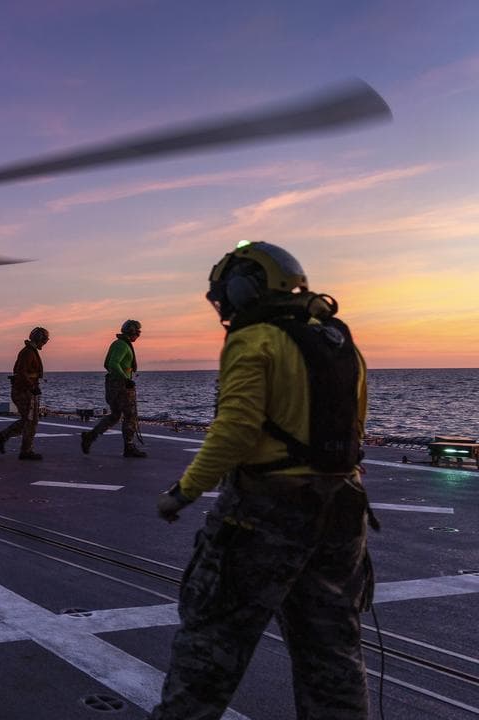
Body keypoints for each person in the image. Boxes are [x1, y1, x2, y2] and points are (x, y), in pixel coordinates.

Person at [149, 242, 374, 720]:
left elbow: (235, 429)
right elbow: (355, 428)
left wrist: (182, 493)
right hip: (343, 509)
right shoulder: (339, 341)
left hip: (267, 513)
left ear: (245, 288)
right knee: (332, 655)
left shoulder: (255, 339)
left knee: (209, 647)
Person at [81, 319, 146, 458]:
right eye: (138, 332)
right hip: (121, 385)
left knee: (115, 415)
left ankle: (90, 436)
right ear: (132, 331)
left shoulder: (117, 344)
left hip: (112, 384)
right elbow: (113, 364)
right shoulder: (122, 345)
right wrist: (125, 379)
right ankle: (129, 447)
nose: (138, 335)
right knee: (130, 416)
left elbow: (107, 364)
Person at [0, 326, 49, 460]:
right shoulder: (28, 353)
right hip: (24, 391)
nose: (44, 343)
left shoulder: (31, 351)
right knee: (30, 421)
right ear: (40, 339)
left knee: (30, 421)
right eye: (44, 340)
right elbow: (21, 372)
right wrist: (31, 387)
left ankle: (3, 437)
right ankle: (24, 450)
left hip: (26, 389)